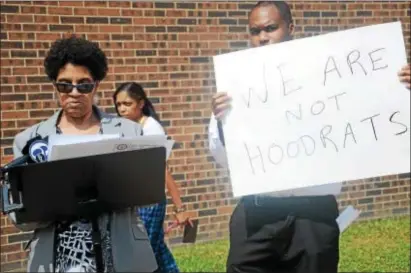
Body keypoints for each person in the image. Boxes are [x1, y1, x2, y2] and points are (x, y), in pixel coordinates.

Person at [208, 2, 411, 273]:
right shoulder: (236, 87)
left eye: (271, 28)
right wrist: (223, 122)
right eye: (255, 31)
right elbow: (223, 160)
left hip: (313, 216)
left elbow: (373, 115)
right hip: (258, 216)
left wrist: (400, 90)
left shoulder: (327, 73)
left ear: (290, 28)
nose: (263, 37)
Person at [11, 36, 158, 272]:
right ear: (54, 85)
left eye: (84, 84)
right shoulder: (28, 141)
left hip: (121, 255)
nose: (75, 92)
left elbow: (146, 192)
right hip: (60, 258)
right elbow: (19, 216)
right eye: (65, 85)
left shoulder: (129, 131)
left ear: (96, 85)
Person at [113, 82, 191, 273]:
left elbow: (162, 170)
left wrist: (179, 207)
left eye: (127, 104)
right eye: (118, 104)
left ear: (140, 104)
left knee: (143, 255)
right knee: (156, 252)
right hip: (134, 199)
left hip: (150, 201)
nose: (121, 109)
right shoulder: (125, 127)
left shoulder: (151, 128)